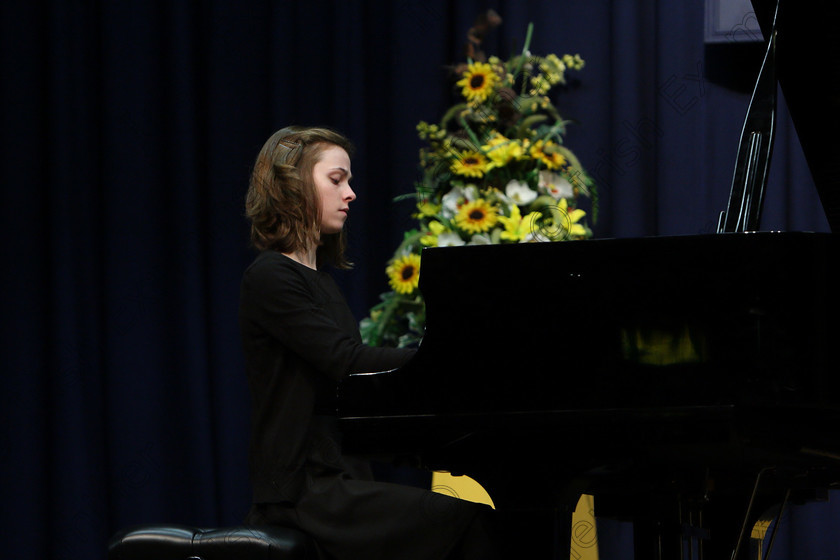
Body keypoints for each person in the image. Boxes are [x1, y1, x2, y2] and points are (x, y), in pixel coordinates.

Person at [239, 126, 497, 560]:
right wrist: (445, 361)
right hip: (304, 490)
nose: (351, 193)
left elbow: (353, 384)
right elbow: (346, 360)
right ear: (294, 185)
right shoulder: (270, 276)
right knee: (470, 523)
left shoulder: (319, 282)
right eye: (337, 180)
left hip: (340, 479)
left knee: (474, 524)